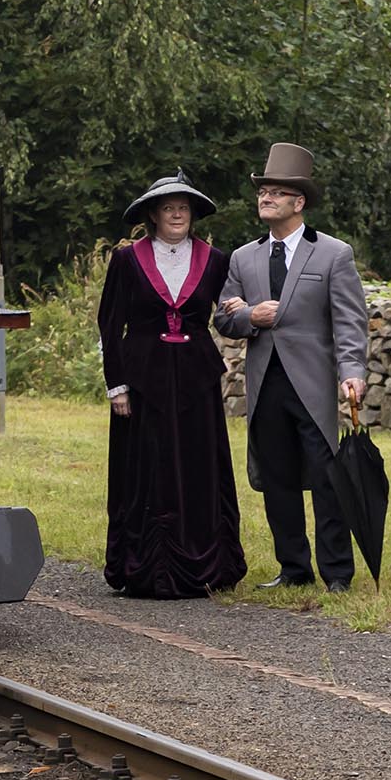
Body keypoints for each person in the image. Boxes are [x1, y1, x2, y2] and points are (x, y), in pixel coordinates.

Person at [212, 142, 371, 591]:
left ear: (298, 202)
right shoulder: (243, 257)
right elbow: (224, 318)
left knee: (327, 480)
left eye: (276, 193)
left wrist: (352, 371)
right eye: (263, 192)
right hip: (265, 384)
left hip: (315, 384)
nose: (265, 198)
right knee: (278, 480)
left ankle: (337, 573)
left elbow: (349, 320)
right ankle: (294, 570)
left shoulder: (334, 254)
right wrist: (249, 317)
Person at [98, 172, 246, 597]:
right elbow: (109, 324)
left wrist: (243, 308)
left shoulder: (216, 259)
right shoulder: (127, 260)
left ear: (193, 214)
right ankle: (144, 565)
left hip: (196, 378)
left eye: (184, 207)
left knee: (199, 466)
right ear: (152, 214)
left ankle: (208, 564)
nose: (177, 213)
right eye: (168, 207)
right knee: (147, 468)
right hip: (142, 378)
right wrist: (117, 385)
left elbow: (229, 314)